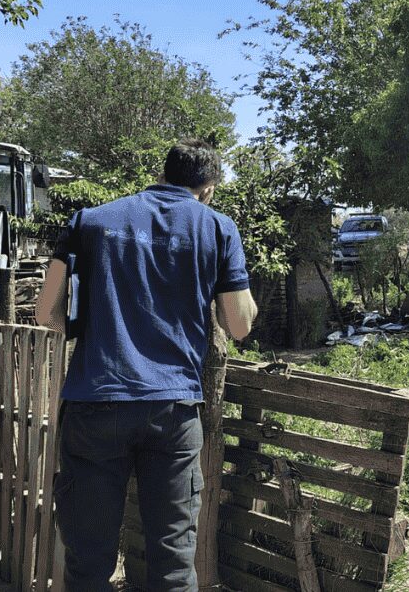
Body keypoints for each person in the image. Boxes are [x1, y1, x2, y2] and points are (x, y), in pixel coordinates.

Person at [35, 139, 258, 591]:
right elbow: (237, 324)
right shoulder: (218, 229)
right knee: (173, 565)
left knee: (87, 563)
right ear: (208, 187)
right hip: (173, 410)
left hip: (96, 402)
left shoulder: (90, 221)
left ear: (165, 173)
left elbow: (45, 312)